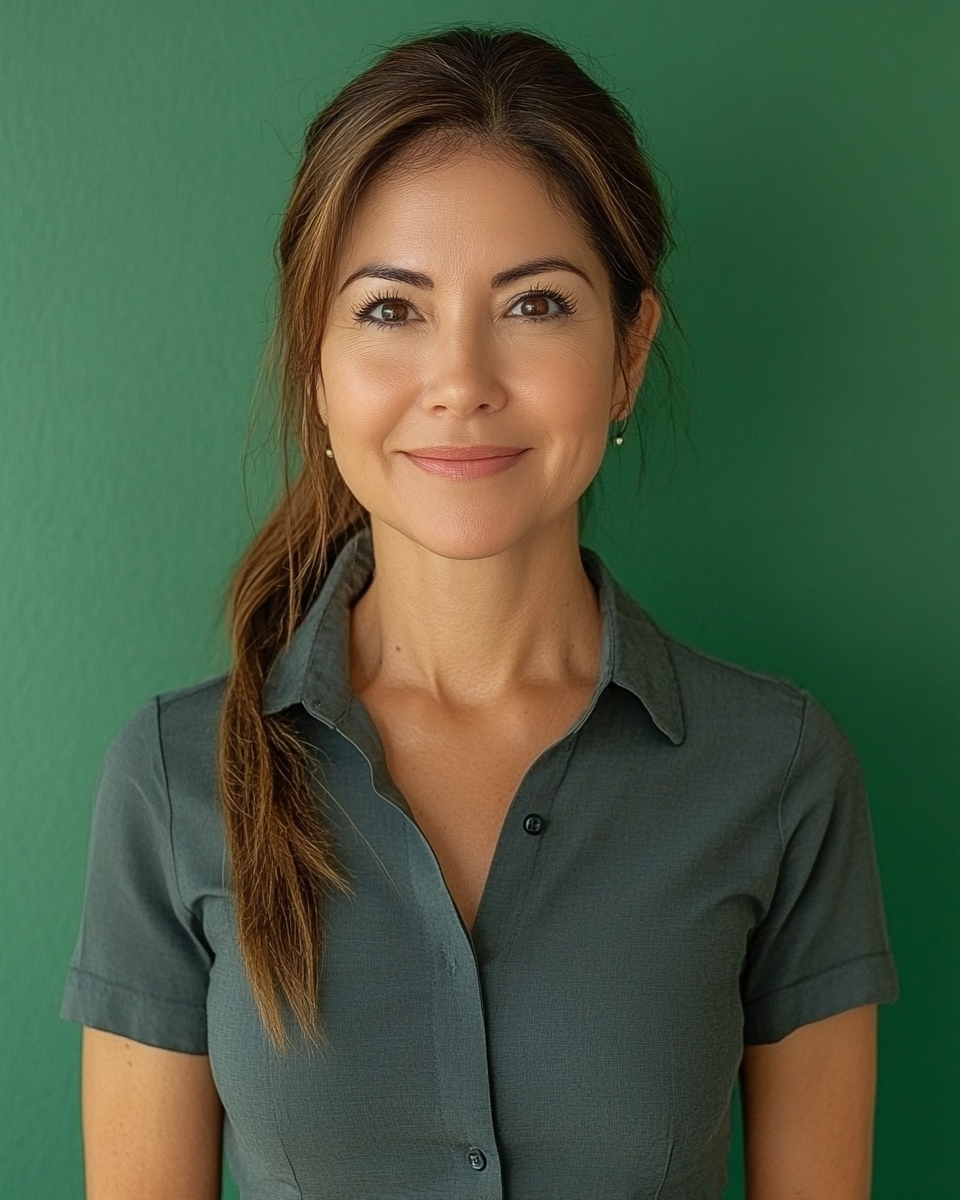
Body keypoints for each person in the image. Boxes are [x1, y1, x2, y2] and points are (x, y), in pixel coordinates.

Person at [60, 26, 898, 1200]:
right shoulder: (171, 780)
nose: (460, 379)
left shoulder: (780, 770)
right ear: (317, 356)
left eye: (537, 304)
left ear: (628, 352)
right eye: (392, 311)